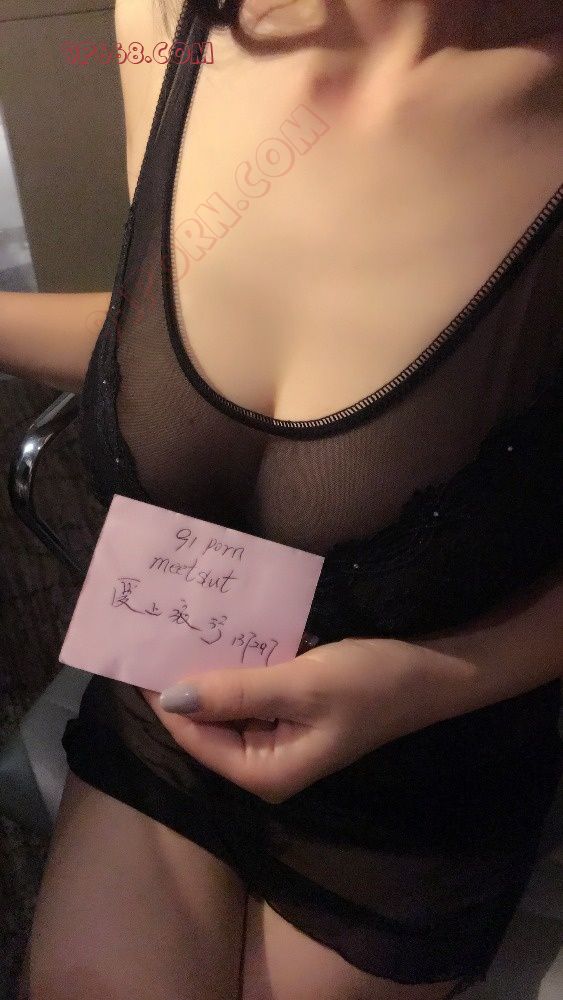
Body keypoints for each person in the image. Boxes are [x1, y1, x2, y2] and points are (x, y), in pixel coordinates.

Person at [2, 1, 562, 997]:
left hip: (415, 760)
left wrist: (434, 681)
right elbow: (165, 322)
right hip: (172, 678)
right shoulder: (168, 18)